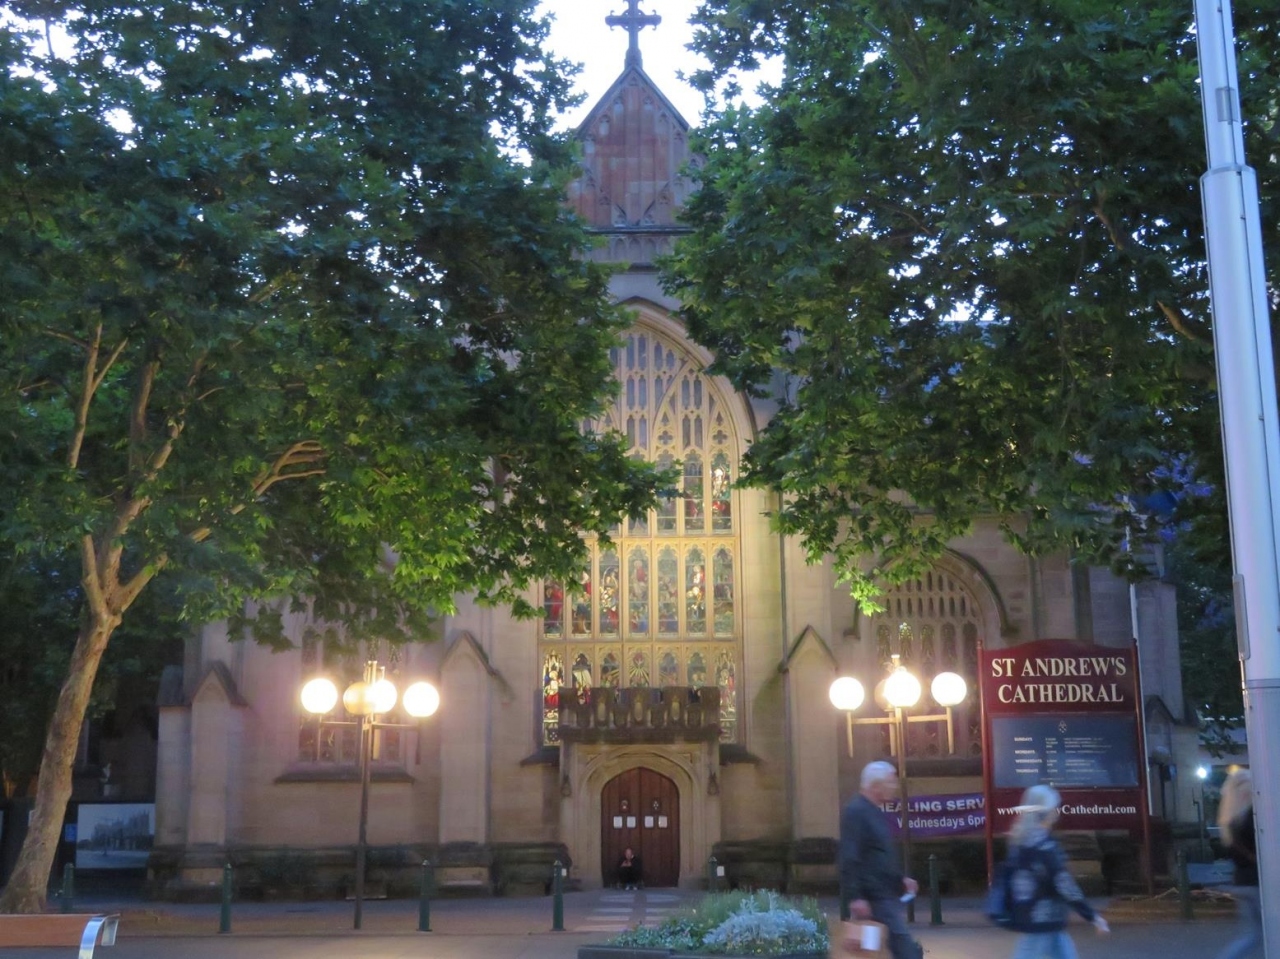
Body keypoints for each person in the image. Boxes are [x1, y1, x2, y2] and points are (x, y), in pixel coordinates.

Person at [1003, 784, 1109, 959]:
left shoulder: (1020, 842)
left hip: (1035, 918)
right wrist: (1092, 916)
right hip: (1044, 921)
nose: (1056, 813)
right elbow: (1064, 884)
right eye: (1054, 808)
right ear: (1045, 812)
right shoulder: (1046, 847)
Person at [840, 761, 923, 959]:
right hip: (874, 900)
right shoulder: (856, 812)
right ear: (875, 786)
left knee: (874, 953)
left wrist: (900, 879)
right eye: (890, 782)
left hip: (882, 897)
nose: (894, 787)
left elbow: (879, 855)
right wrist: (856, 896)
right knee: (905, 951)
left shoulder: (874, 811)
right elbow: (849, 856)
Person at [1215, 770, 1261, 959]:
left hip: (1242, 881)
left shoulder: (1232, 821)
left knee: (1254, 934)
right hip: (1256, 882)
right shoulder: (1252, 817)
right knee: (1260, 934)